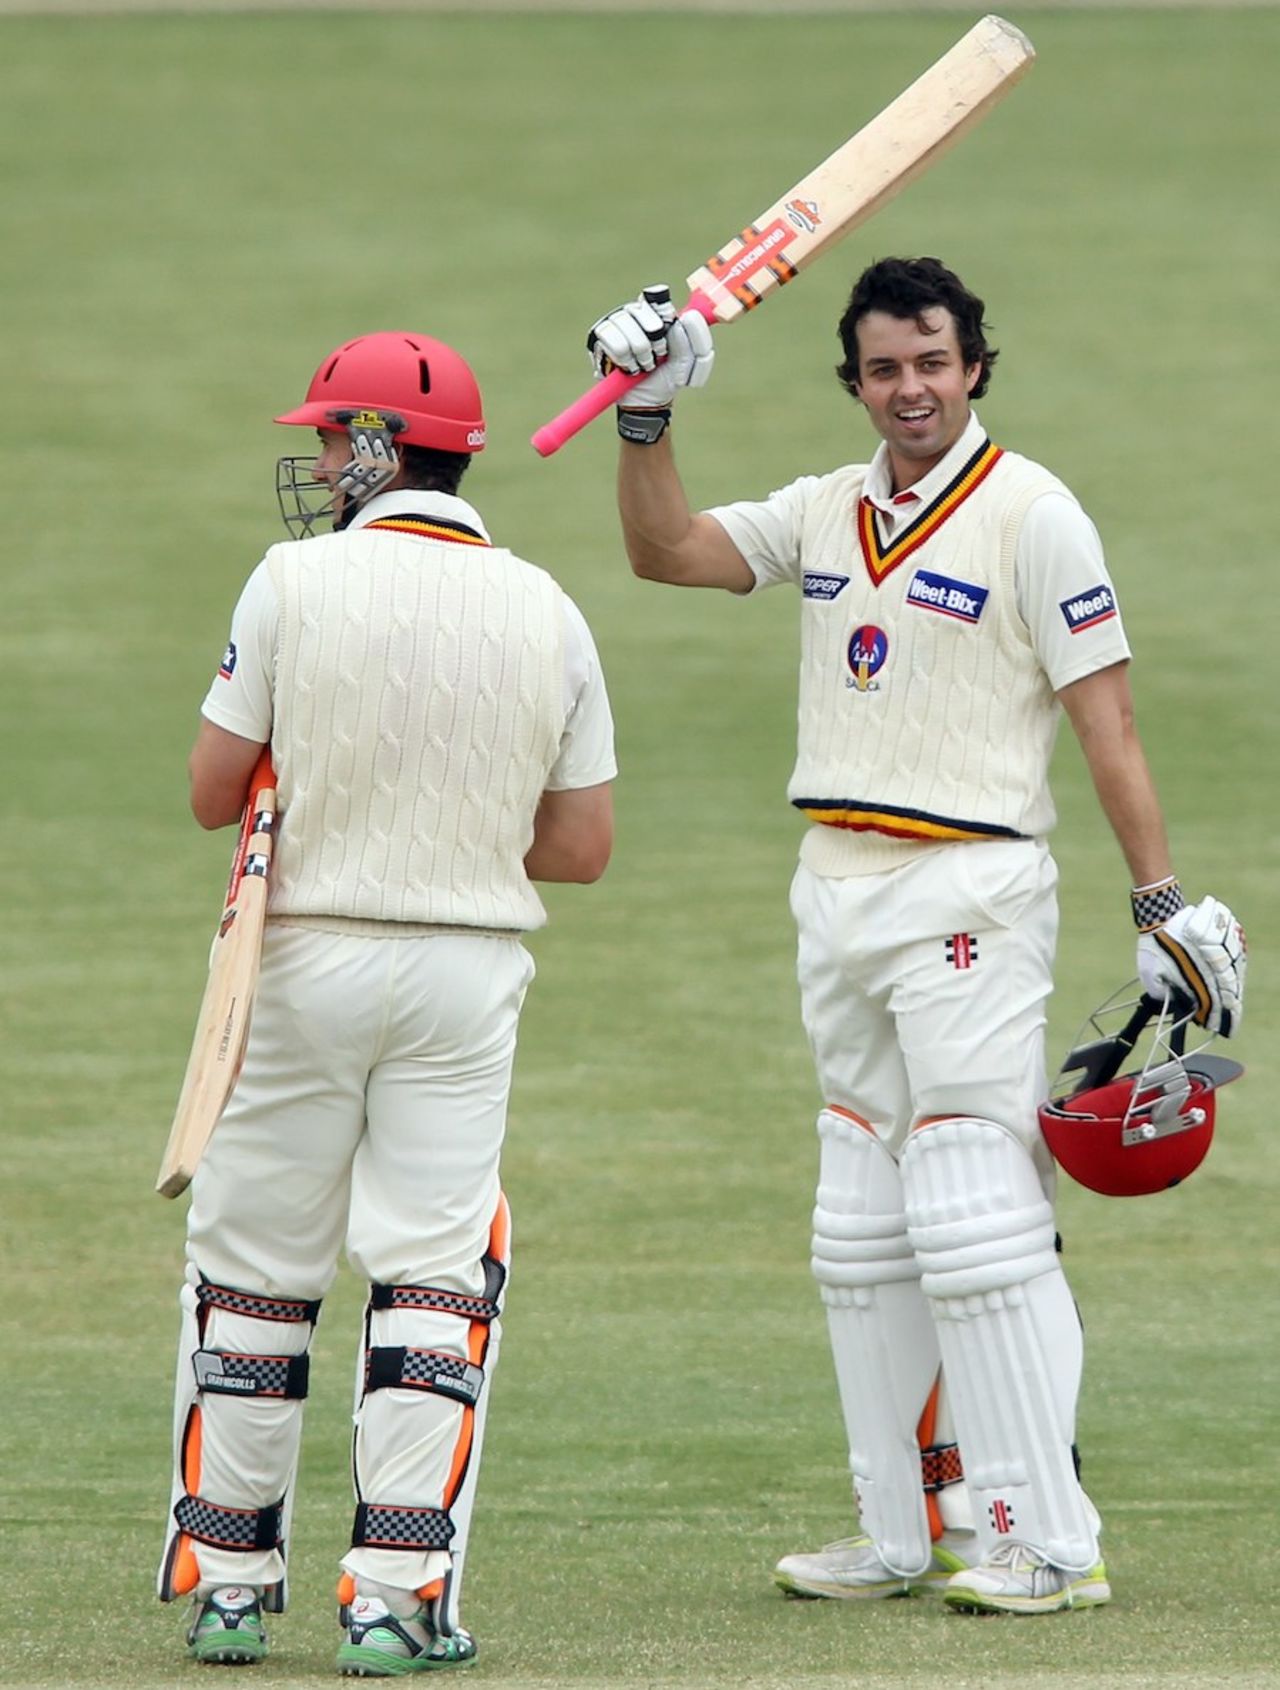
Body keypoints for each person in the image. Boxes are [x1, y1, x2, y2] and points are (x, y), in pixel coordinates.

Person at [582, 260, 1245, 1615]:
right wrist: (643, 416)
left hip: (973, 891)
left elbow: (1106, 717)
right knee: (858, 1219)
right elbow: (667, 552)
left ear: (977, 365)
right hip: (837, 887)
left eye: (933, 361)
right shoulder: (828, 506)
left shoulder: (1034, 513)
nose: (912, 387)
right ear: (857, 380)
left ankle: (1047, 1537)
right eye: (885, 367)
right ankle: (901, 1527)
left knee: (975, 1211)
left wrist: (1160, 894)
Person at [157, 331, 616, 1671]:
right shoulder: (549, 604)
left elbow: (208, 790)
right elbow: (580, 845)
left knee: (254, 1266)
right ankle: (394, 1597)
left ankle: (232, 1584)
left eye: (325, 439)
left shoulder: (293, 580)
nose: (314, 462)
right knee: (431, 1268)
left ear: (371, 448)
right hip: (466, 975)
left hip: (299, 960)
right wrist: (461, 843)